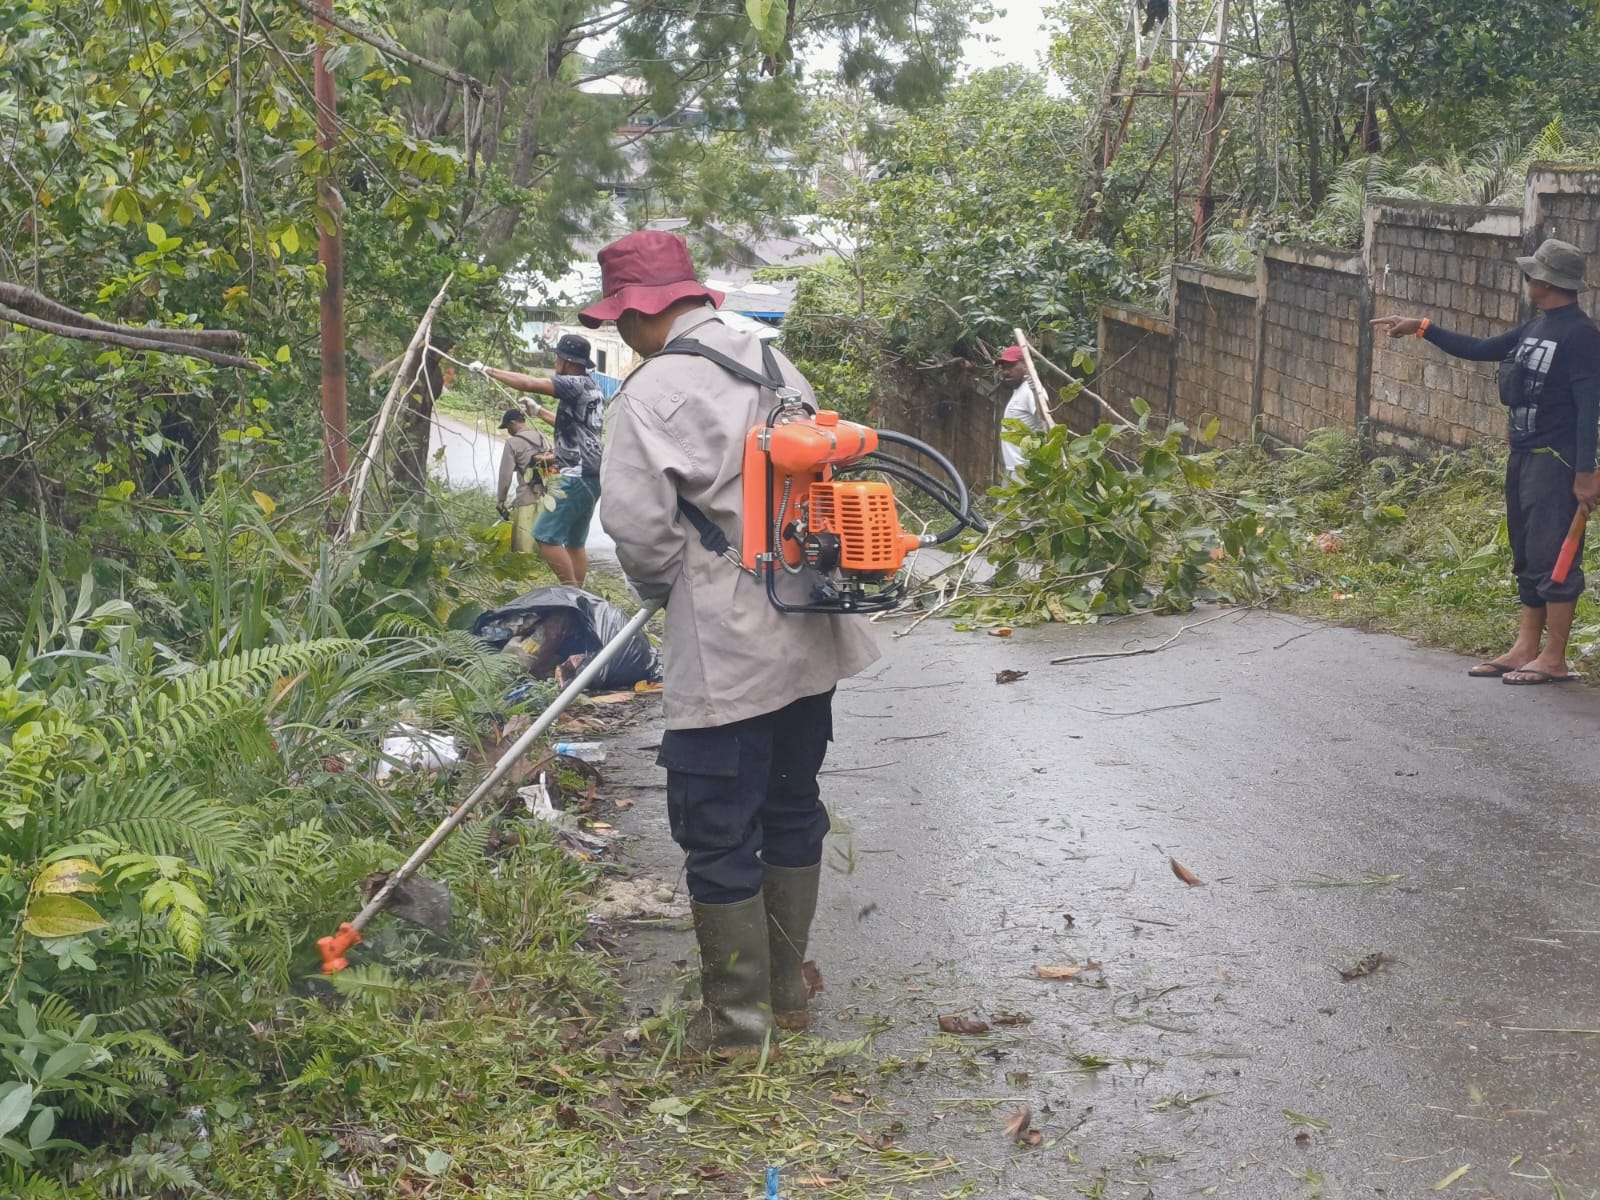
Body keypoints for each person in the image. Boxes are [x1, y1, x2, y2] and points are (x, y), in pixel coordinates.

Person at [582, 230, 879, 1055]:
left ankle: (737, 1032)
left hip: (726, 646)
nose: (620, 330)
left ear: (639, 310)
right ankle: (785, 999)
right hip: (809, 625)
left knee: (716, 827)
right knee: (792, 803)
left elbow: (640, 533)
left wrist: (668, 591)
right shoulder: (777, 365)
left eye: (619, 316)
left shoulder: (650, 394)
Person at [1372, 237, 1600, 685]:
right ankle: (1525, 648)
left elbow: (1588, 408)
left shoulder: (1581, 335)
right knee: (1526, 554)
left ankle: (1554, 658)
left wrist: (1585, 473)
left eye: (1531, 273)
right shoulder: (1537, 327)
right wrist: (1422, 327)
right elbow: (1480, 348)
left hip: (1556, 463)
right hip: (1523, 456)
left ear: (1547, 281)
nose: (1527, 279)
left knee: (1553, 556)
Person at [471, 334, 605, 586]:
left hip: (574, 474)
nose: (555, 363)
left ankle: (571, 590)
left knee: (545, 536)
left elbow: (530, 382)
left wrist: (488, 370)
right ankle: (579, 594)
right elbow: (574, 425)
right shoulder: (592, 388)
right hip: (593, 475)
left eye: (557, 358)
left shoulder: (572, 383)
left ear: (567, 361)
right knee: (575, 542)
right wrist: (539, 411)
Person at [494, 408, 552, 554]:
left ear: (513, 423)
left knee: (523, 548)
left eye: (507, 427)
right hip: (546, 497)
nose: (508, 431)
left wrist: (501, 500)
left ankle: (526, 567)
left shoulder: (512, 443)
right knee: (545, 543)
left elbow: (505, 475)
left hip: (526, 497)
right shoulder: (541, 436)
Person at [998, 344, 1047, 477]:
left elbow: (1046, 417)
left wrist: (1036, 392)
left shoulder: (1030, 391)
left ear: (1026, 365)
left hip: (1027, 471)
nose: (1005, 372)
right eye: (1003, 367)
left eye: (1011, 366)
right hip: (1015, 469)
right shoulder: (1019, 391)